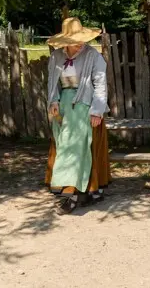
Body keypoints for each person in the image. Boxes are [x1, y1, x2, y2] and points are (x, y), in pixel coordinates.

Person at [44, 17, 111, 215]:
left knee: (76, 147)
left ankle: (70, 195)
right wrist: (53, 101)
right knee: (64, 145)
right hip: (64, 107)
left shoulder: (93, 56)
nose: (79, 43)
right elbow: (52, 82)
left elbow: (100, 84)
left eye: (81, 39)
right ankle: (84, 191)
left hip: (85, 105)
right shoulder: (56, 57)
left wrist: (97, 110)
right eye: (74, 40)